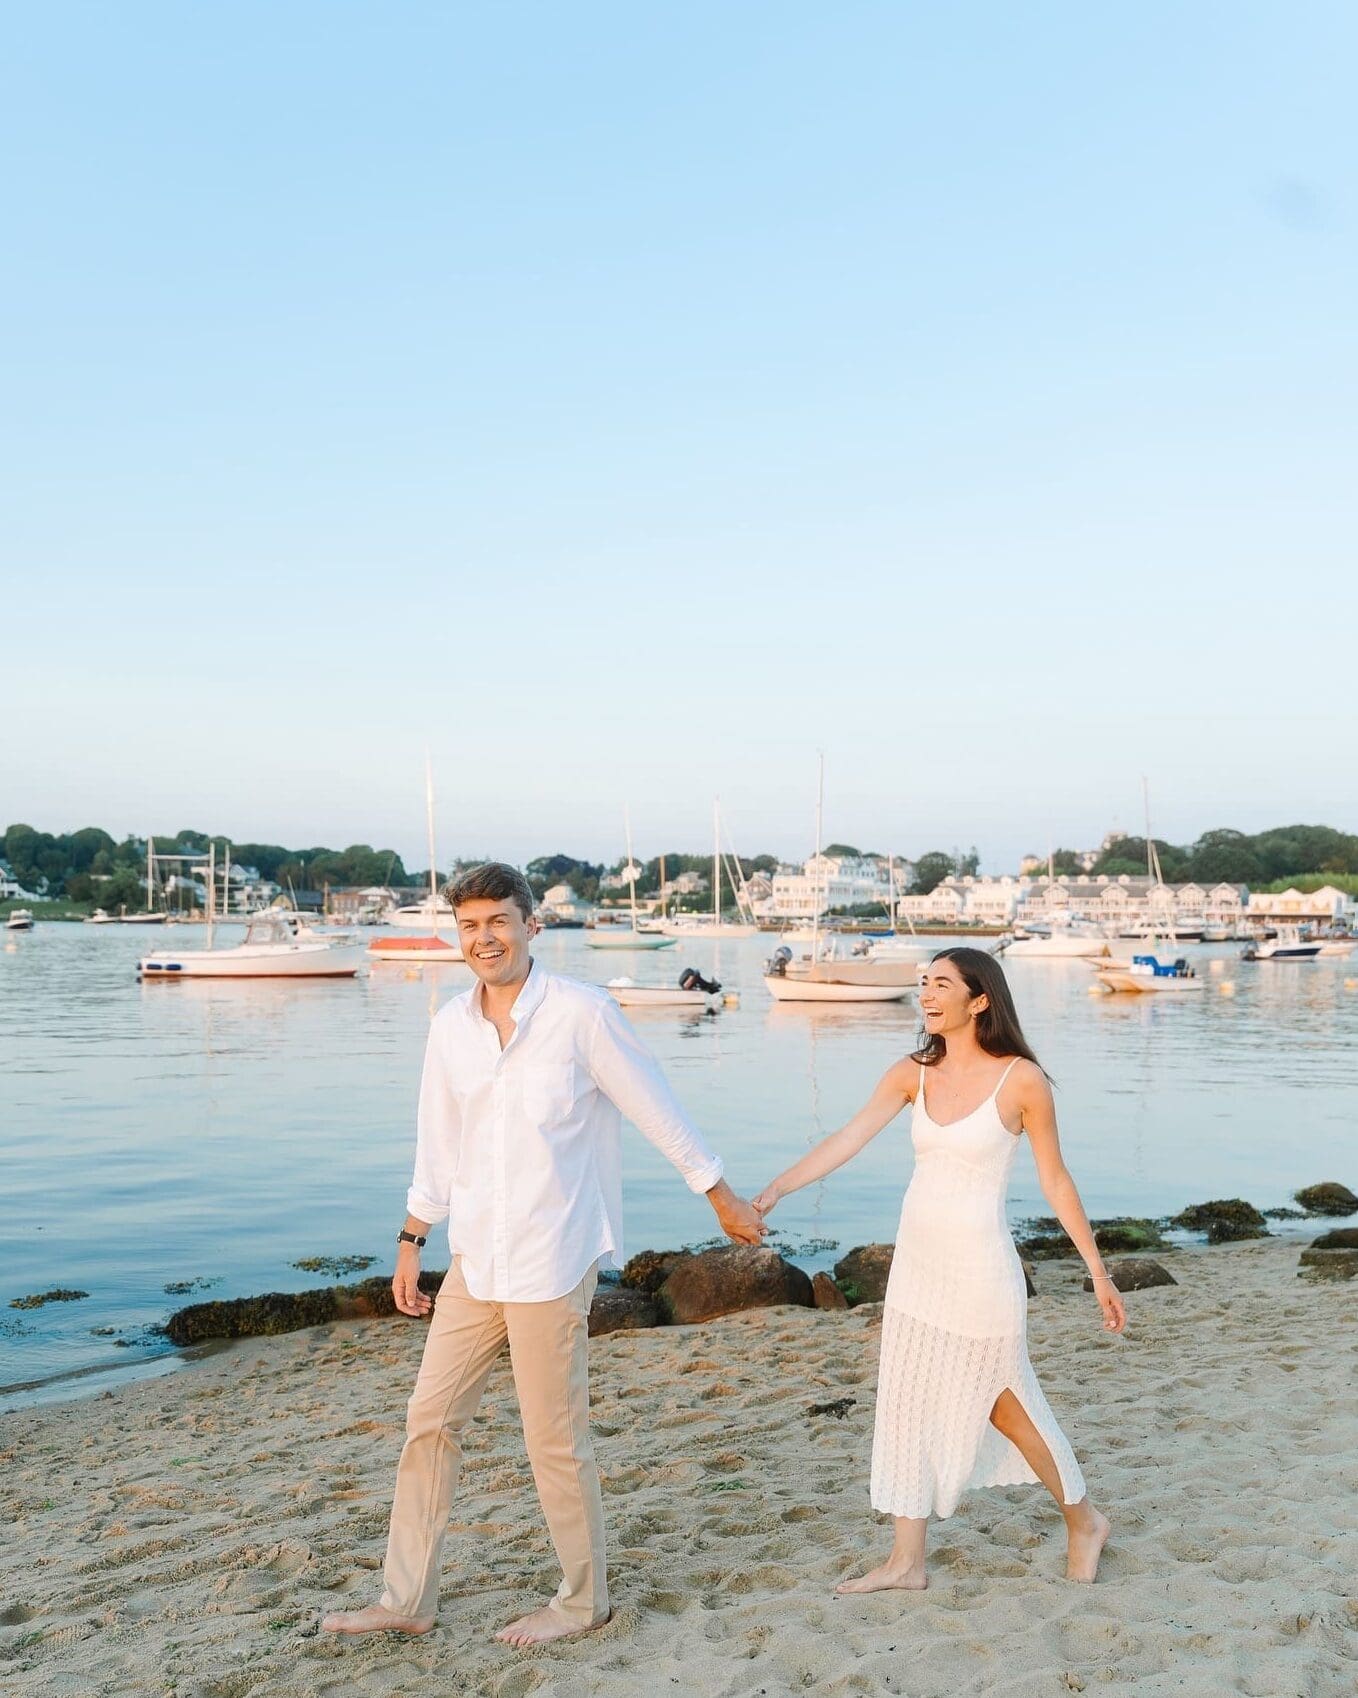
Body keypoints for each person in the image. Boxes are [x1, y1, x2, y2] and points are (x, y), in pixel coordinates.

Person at [322, 862, 766, 1647]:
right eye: (470, 925)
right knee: (428, 1422)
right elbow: (439, 1146)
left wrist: (719, 1194)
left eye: (499, 920)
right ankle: (405, 1599)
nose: (485, 937)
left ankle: (582, 1600)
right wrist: (410, 1241)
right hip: (474, 1261)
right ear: (456, 934)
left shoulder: (581, 1015)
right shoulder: (449, 1028)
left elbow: (655, 1105)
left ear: (532, 925)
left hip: (553, 1259)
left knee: (553, 1438)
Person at [753, 946, 1123, 1591]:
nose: (926, 993)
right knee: (907, 1400)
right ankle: (906, 1562)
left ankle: (1086, 1520)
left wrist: (1098, 1272)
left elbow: (1056, 1180)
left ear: (979, 1001)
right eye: (923, 982)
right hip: (918, 1268)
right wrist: (777, 1189)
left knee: (1007, 1407)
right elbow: (849, 1136)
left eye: (941, 984)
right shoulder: (911, 1073)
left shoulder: (1021, 1081)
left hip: (981, 1272)